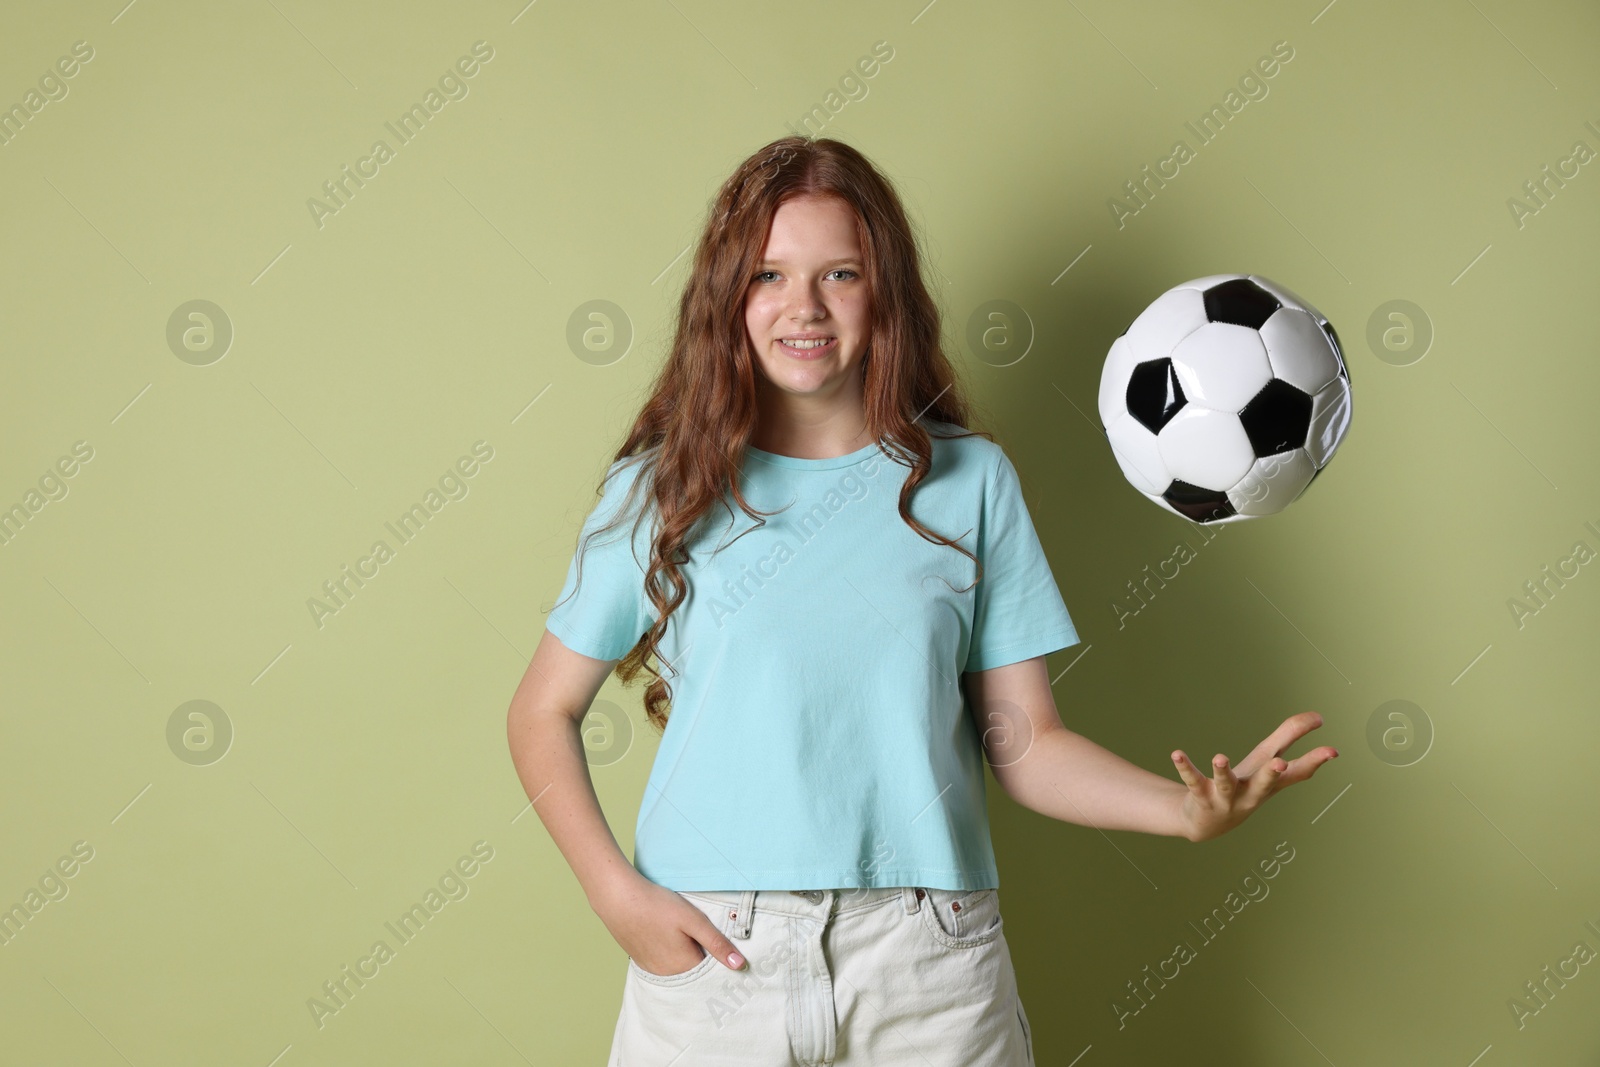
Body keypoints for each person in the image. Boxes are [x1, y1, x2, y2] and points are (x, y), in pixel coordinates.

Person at [504, 136, 1338, 1066]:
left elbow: (1028, 746)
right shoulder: (664, 487)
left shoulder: (970, 482)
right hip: (712, 957)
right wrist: (614, 893)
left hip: (929, 969)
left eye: (841, 273)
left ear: (884, 291)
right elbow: (542, 710)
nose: (803, 307)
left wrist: (1183, 813)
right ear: (726, 298)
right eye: (769, 275)